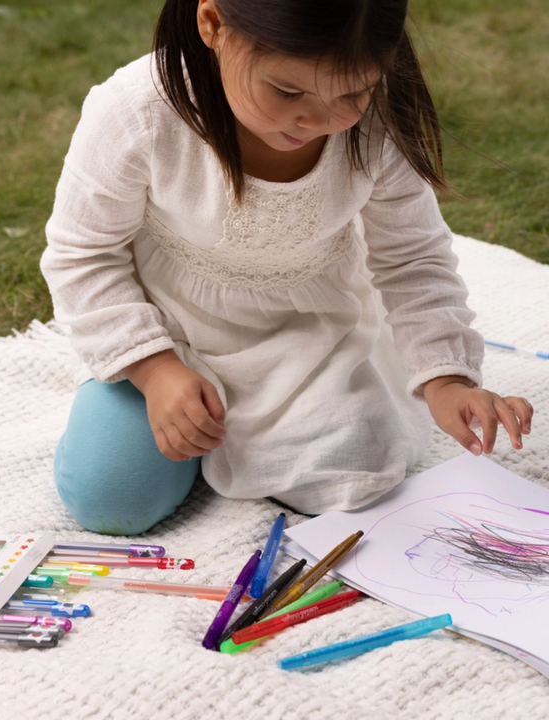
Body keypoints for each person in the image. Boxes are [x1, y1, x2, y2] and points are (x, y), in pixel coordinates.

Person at [41, 0, 533, 535]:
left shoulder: (375, 121)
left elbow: (412, 259)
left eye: (351, 92)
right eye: (287, 92)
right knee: (115, 497)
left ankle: (253, 441)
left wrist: (447, 380)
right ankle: (149, 411)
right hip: (166, 330)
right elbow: (83, 254)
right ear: (213, 26)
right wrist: (154, 370)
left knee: (358, 476)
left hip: (307, 334)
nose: (318, 120)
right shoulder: (137, 112)